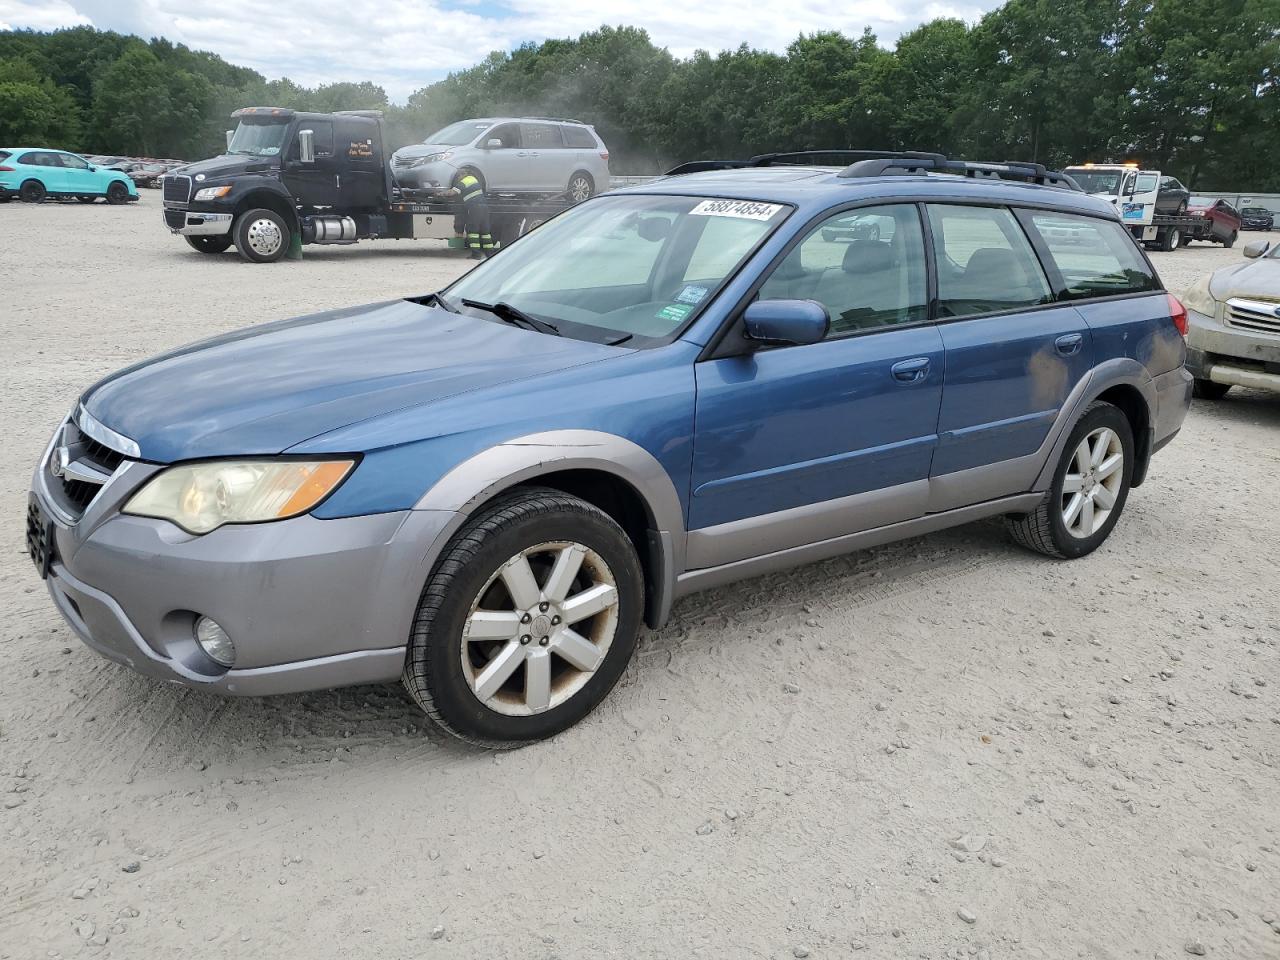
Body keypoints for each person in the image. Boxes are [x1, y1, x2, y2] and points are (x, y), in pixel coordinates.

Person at [448, 173, 499, 259]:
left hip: (475, 207)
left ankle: (476, 254)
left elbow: (452, 193)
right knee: (485, 232)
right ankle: (489, 254)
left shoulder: (463, 182)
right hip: (484, 207)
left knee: (472, 231)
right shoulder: (473, 179)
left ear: (461, 175)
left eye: (458, 177)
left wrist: (439, 194)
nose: (458, 179)